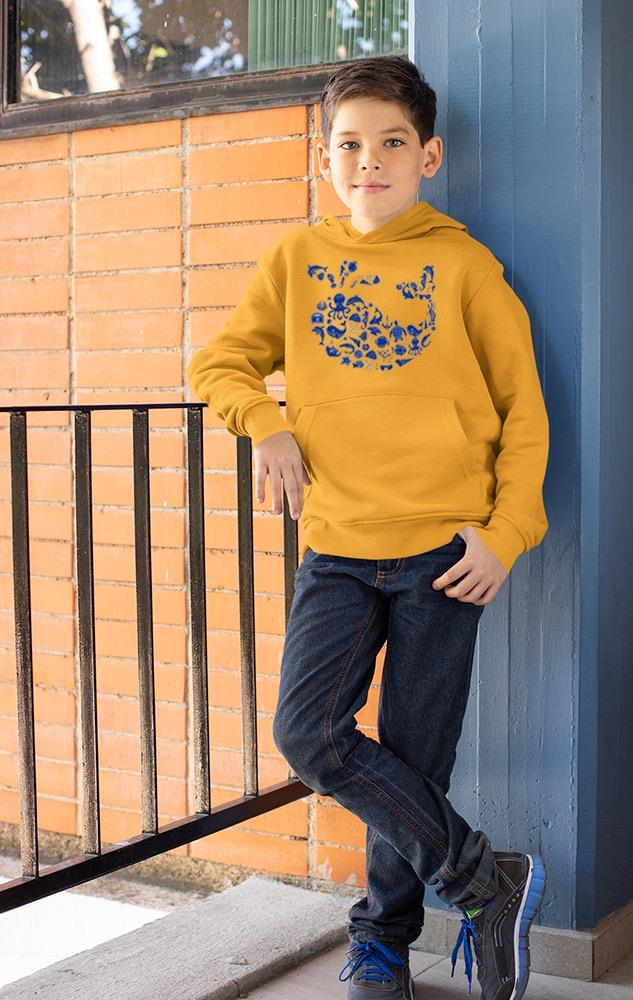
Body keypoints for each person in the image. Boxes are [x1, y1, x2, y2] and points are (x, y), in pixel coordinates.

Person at [187, 53, 549, 1000]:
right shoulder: (297, 263)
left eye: (392, 142)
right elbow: (219, 365)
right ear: (325, 161)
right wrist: (264, 425)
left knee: (415, 759)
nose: (369, 161)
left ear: (427, 156)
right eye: (348, 144)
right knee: (310, 735)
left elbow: (525, 412)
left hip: (444, 559)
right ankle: (482, 878)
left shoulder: (465, 266)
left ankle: (381, 942)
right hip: (339, 552)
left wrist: (506, 533)